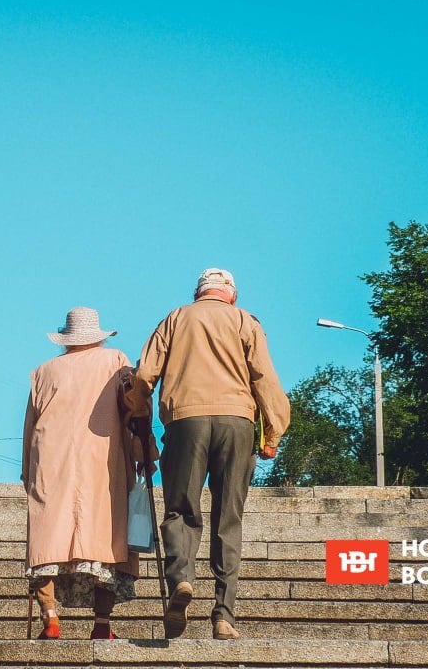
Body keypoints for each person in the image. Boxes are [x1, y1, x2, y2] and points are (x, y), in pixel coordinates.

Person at [124, 268, 290, 640]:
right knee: (227, 517)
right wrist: (273, 430)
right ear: (231, 294)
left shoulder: (175, 318)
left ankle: (182, 579)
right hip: (237, 422)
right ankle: (224, 615)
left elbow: (145, 374)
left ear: (198, 292)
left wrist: (137, 412)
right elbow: (264, 376)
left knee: (181, 509)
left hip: (186, 421)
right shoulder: (245, 320)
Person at [21, 307, 156, 640]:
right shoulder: (115, 362)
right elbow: (136, 405)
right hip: (102, 461)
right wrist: (145, 450)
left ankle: (50, 619)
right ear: (98, 336)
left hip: (51, 462)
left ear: (66, 339)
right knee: (105, 540)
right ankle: (102, 625)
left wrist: (28, 471)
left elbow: (29, 428)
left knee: (47, 540)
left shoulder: (42, 372)